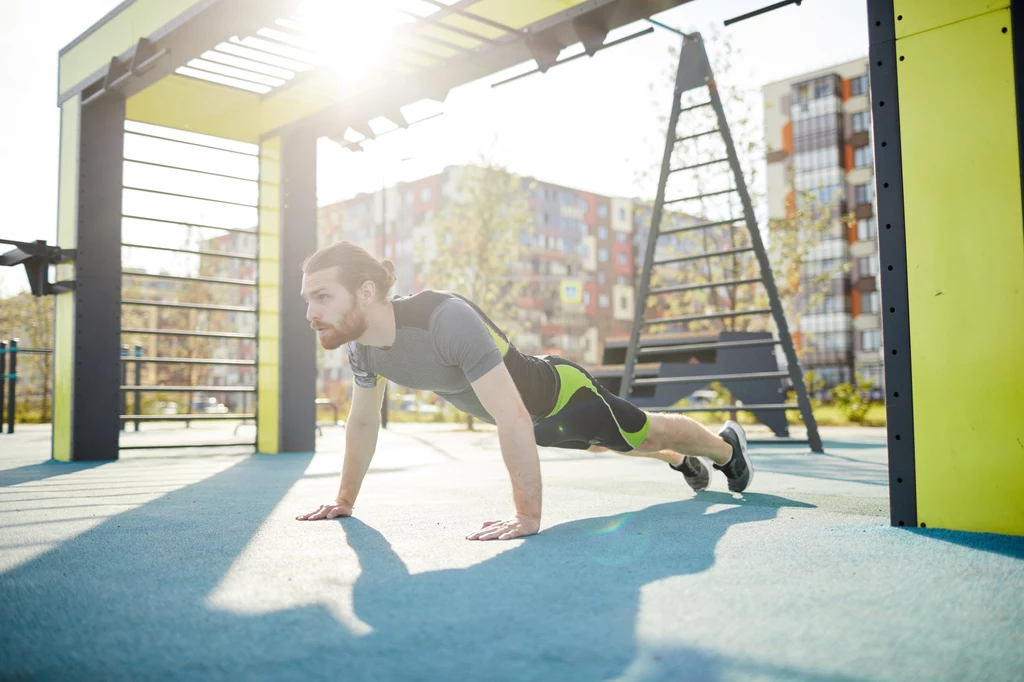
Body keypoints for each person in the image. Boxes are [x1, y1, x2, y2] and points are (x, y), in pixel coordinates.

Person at [296, 242, 753, 540]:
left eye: (322, 296)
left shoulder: (444, 319)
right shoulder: (363, 350)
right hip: (533, 427)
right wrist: (344, 501)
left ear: (366, 292)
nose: (312, 312)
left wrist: (527, 517)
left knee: (641, 433)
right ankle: (679, 459)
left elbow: (511, 416)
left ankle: (725, 448)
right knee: (601, 447)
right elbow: (362, 420)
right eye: (308, 300)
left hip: (564, 398)